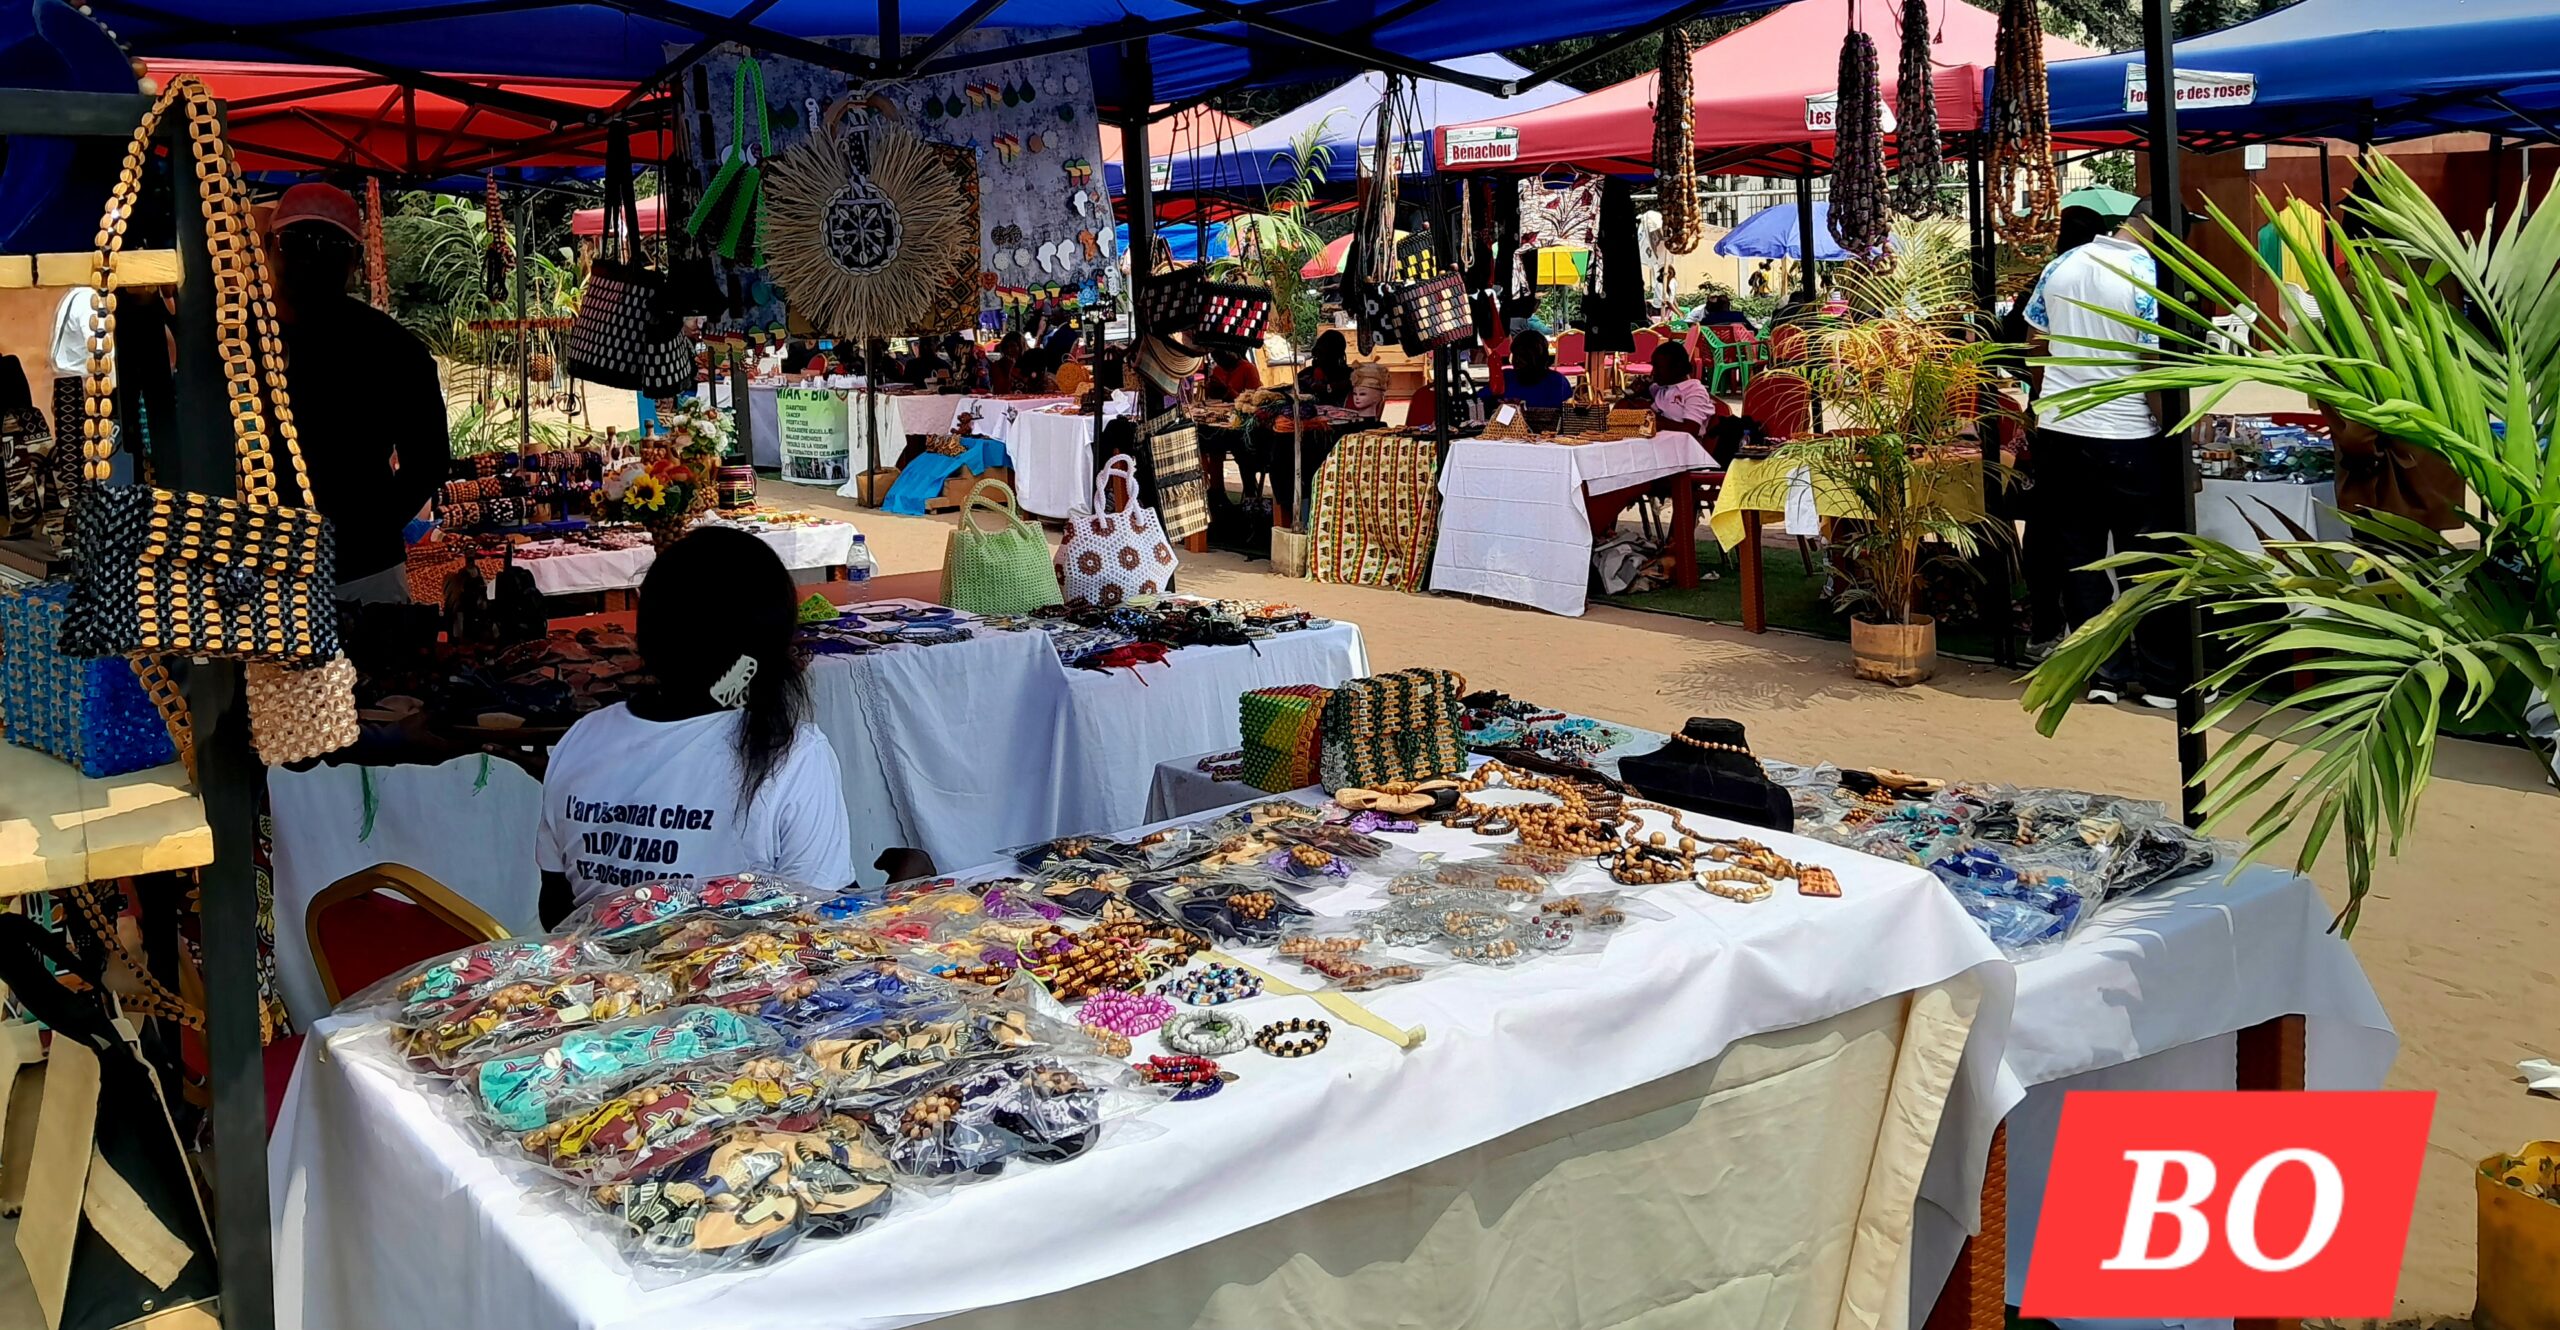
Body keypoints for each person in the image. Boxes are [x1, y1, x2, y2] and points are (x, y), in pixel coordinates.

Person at [536, 527, 851, 925]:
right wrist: (910, 878)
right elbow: (820, 926)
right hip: (740, 967)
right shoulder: (794, 753)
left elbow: (556, 912)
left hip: (595, 965)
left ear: (646, 635)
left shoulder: (582, 738)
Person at [2022, 201, 2181, 709]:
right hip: (2128, 434)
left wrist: (2052, 398)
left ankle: (2103, 673)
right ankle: (2161, 678)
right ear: (2159, 230)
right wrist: (2173, 431)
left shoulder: (2061, 265)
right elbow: (2153, 362)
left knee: (2081, 559)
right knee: (2146, 557)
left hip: (2063, 431)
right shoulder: (2147, 276)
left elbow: (2035, 343)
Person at [268, 183, 446, 604]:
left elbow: (430, 458)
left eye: (330, 246)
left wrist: (365, 529)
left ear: (355, 261)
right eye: (298, 242)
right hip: (261, 571)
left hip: (363, 573)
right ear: (272, 248)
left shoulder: (393, 349)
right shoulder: (236, 341)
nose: (311, 258)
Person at [1647, 343, 1719, 435]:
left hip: (1682, 441)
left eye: (1658, 368)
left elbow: (1690, 429)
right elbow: (1646, 392)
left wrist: (1652, 417)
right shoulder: (1662, 388)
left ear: (1677, 368)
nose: (1653, 373)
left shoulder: (1694, 391)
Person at [1496, 329, 1573, 409]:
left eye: (1524, 356)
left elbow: (1568, 409)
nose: (1517, 360)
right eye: (1516, 355)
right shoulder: (1504, 378)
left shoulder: (1557, 382)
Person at [1297, 329, 1353, 407]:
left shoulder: (1350, 377)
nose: (1318, 357)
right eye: (1319, 353)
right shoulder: (1305, 375)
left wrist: (1327, 387)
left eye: (1324, 353)